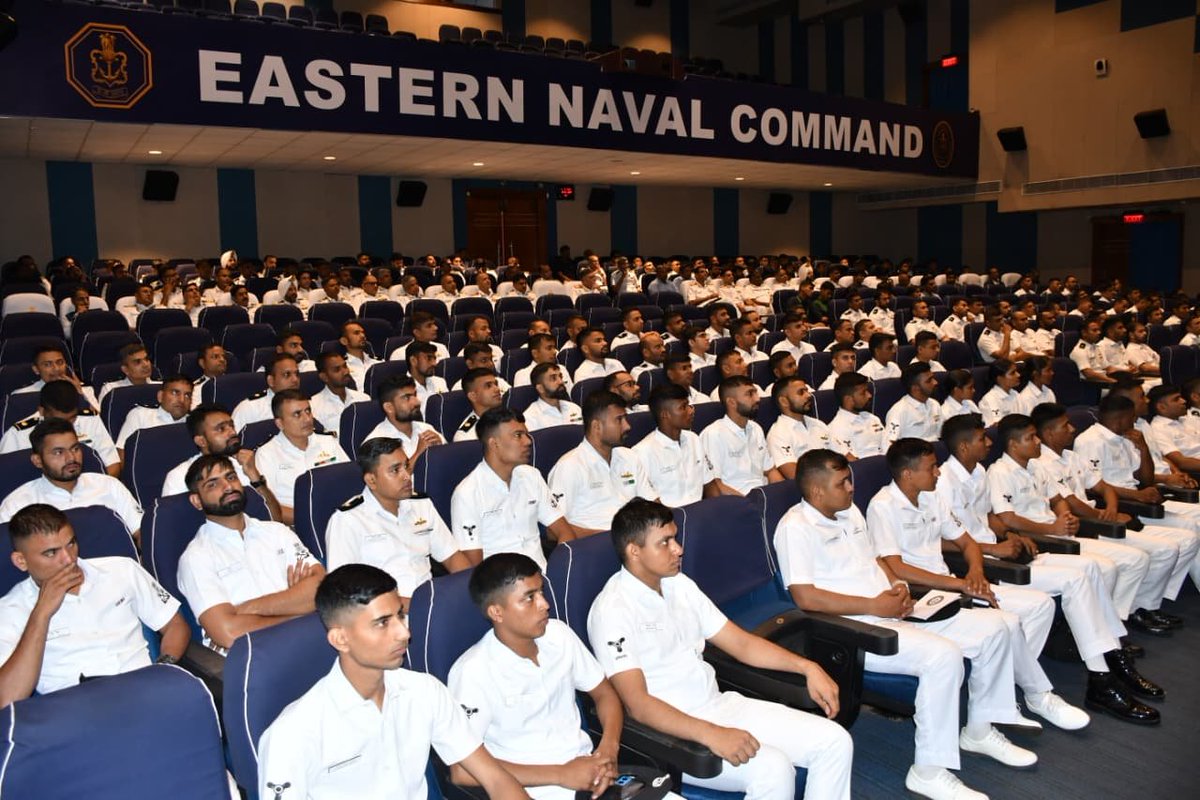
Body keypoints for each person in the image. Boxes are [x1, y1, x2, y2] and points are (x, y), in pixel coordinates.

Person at [777, 449, 1033, 800]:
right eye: (843, 483)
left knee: (996, 628)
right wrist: (874, 604)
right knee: (943, 657)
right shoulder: (796, 527)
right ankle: (927, 771)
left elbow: (875, 560)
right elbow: (805, 597)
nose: (852, 488)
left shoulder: (850, 512)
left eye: (850, 479)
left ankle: (978, 729)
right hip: (857, 628)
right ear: (817, 491)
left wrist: (897, 587)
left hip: (892, 610)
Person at [589, 498, 853, 800]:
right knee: (774, 769)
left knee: (834, 741)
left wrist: (808, 667)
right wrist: (709, 733)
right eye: (665, 542)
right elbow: (638, 704)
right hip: (673, 733)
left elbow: (740, 643)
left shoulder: (680, 585)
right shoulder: (613, 609)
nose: (678, 549)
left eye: (675, 538)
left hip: (719, 705)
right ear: (634, 551)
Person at [867, 439, 1090, 731]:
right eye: (932, 467)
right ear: (907, 474)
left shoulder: (933, 496)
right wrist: (960, 584)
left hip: (951, 583)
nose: (938, 473)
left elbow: (967, 542)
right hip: (921, 595)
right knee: (1006, 622)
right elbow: (896, 568)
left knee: (1039, 606)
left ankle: (1000, 692)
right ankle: (1034, 696)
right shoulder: (882, 506)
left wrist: (975, 571)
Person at [257, 564, 530, 800]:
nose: (404, 632)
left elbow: (495, 778)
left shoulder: (424, 691)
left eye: (400, 615)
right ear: (341, 639)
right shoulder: (293, 733)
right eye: (382, 623)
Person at [0, 504, 188, 705]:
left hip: (145, 689)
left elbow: (176, 626)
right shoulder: (10, 609)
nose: (69, 559)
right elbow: (8, 698)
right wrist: (41, 613)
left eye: (71, 543)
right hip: (76, 709)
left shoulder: (122, 569)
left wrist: (161, 669)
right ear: (21, 561)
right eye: (51, 553)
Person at [1031, 403, 1193, 632]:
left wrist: (1112, 509)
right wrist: (1103, 516)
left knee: (1170, 548)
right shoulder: (1042, 464)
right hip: (1087, 525)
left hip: (1101, 518)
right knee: (1139, 558)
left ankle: (1141, 607)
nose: (1072, 428)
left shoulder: (1071, 456)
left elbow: (1104, 487)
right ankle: (1117, 622)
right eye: (1065, 425)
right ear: (1048, 433)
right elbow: (1072, 504)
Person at [178, 454, 325, 652]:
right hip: (254, 657)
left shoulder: (277, 531)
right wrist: (299, 610)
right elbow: (228, 634)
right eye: (213, 484)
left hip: (308, 642)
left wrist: (244, 609)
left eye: (231, 477)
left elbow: (321, 589)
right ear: (197, 500)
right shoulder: (196, 557)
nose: (228, 486)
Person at [327, 438, 469, 607]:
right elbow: (344, 591)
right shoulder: (347, 521)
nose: (406, 476)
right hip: (385, 615)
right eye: (395, 470)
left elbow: (453, 557)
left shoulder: (421, 505)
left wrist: (472, 591)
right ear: (371, 480)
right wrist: (417, 606)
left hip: (431, 603)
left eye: (406, 466)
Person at [451, 408, 576, 568]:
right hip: (500, 585)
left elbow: (565, 532)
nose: (528, 441)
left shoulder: (531, 476)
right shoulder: (467, 494)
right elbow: (473, 567)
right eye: (518, 436)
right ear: (494, 443)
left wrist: (560, 569)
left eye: (526, 434)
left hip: (543, 575)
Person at [0, 419, 142, 539]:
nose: (71, 458)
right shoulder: (17, 504)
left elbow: (141, 533)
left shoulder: (109, 486)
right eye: (58, 452)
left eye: (75, 448)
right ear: (37, 460)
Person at [548, 391, 655, 535]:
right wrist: (612, 538)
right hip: (594, 545)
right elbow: (552, 531)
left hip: (635, 538)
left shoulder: (629, 456)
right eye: (619, 420)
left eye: (625, 418)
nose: (627, 426)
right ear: (596, 426)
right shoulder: (569, 466)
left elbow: (653, 503)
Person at [255, 390, 351, 525]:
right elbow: (268, 505)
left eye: (308, 411)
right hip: (297, 525)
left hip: (340, 519)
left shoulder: (328, 442)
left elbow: (350, 482)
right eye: (297, 414)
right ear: (280, 423)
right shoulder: (267, 454)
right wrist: (313, 518)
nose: (307, 419)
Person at [0, 380, 120, 476]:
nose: (66, 424)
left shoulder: (90, 420)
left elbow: (112, 463)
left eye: (72, 418)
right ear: (42, 411)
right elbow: (8, 475)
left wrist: (97, 489)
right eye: (58, 419)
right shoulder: (17, 434)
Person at [633, 384, 718, 506]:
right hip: (669, 518)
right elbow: (649, 504)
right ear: (665, 414)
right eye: (683, 407)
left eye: (689, 405)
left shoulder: (693, 438)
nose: (691, 410)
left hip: (701, 513)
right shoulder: (642, 452)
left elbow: (710, 484)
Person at [699, 377, 781, 496]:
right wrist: (749, 504)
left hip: (763, 495)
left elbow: (770, 470)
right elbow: (715, 485)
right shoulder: (713, 434)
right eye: (749, 394)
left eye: (756, 392)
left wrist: (781, 494)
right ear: (731, 402)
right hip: (736, 502)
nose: (757, 399)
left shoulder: (756, 428)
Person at [362, 374, 445, 459]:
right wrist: (419, 454)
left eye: (415, 395)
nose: (417, 402)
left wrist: (440, 449)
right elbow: (394, 472)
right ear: (389, 407)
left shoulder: (426, 428)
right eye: (407, 398)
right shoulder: (375, 442)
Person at [766, 377, 832, 481]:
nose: (808, 395)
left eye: (807, 391)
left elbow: (845, 456)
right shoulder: (778, 434)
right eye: (801, 392)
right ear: (784, 401)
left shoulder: (818, 424)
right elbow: (795, 474)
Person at [114, 373, 193, 457]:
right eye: (175, 392)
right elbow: (122, 452)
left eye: (187, 395)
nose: (182, 400)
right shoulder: (140, 416)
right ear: (160, 396)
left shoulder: (194, 423)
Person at [12, 343, 99, 410]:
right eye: (47, 364)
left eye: (60, 362)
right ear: (36, 369)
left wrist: (79, 393)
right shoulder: (21, 395)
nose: (56, 368)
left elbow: (98, 421)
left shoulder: (85, 390)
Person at [231, 353, 302, 430]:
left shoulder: (307, 405)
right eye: (287, 374)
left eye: (297, 374)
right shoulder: (249, 409)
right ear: (271, 381)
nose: (295, 379)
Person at [827, 373, 886, 459]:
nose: (869, 395)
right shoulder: (836, 429)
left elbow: (889, 448)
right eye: (863, 393)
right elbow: (854, 463)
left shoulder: (873, 418)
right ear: (848, 400)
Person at [309, 352, 370, 436]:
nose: (345, 372)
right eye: (337, 369)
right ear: (324, 377)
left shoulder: (364, 398)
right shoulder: (314, 406)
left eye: (345, 366)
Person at [885, 362, 943, 443]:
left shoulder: (934, 404)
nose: (935, 382)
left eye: (933, 378)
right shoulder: (898, 411)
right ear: (915, 388)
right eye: (929, 381)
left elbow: (941, 434)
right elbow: (890, 443)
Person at [522, 362, 583, 431]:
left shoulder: (574, 408)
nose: (560, 381)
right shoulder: (530, 417)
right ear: (540, 388)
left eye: (560, 376)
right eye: (553, 378)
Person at [454, 369, 506, 442]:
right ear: (473, 396)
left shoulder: (510, 417)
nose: (497, 389)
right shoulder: (466, 437)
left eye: (496, 384)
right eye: (488, 386)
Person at [1070, 318, 1119, 384]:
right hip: (1093, 385)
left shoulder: (1095, 347)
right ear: (1084, 333)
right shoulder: (1079, 350)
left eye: (1099, 330)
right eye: (1094, 330)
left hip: (1104, 380)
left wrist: (1126, 372)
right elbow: (1088, 374)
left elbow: (1108, 368)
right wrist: (1110, 380)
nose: (1099, 332)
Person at [339, 320, 381, 389]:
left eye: (363, 332)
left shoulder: (379, 362)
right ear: (344, 341)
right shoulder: (341, 367)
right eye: (356, 333)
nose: (363, 336)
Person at [978, 359, 1022, 426]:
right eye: (1012, 373)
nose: (1018, 375)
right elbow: (996, 426)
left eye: (1017, 371)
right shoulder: (990, 400)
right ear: (999, 378)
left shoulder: (1014, 393)